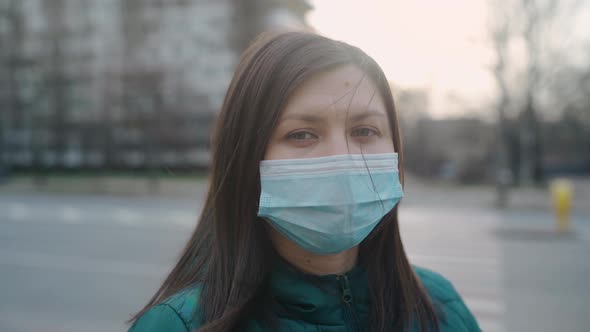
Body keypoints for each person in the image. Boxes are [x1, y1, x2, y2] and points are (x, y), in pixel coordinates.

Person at [127, 31, 481, 332]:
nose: (341, 157)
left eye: (364, 130)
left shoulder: (442, 309)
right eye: (301, 134)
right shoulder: (179, 325)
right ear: (248, 156)